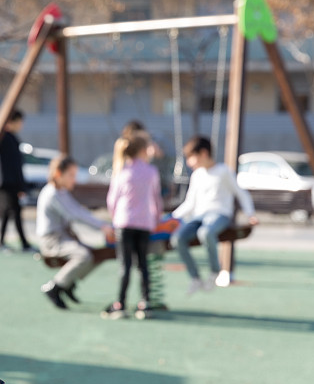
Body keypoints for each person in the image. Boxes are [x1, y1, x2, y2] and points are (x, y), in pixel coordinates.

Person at [170, 136, 258, 294]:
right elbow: (190, 203)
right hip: (199, 216)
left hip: (220, 214)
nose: (190, 162)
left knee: (206, 233)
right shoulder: (197, 175)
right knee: (178, 238)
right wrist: (171, 218)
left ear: (203, 153)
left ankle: (214, 271)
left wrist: (250, 214)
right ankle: (195, 277)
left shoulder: (223, 171)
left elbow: (241, 193)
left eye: (191, 157)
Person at [36, 155, 115, 309]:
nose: (74, 179)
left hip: (64, 236)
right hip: (52, 240)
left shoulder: (61, 192)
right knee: (83, 255)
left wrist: (103, 226)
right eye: (71, 175)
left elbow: (78, 211)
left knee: (97, 255)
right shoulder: (53, 193)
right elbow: (76, 215)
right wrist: (103, 227)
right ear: (58, 174)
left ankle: (68, 284)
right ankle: (55, 287)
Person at [102, 134, 162, 319]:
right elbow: (156, 199)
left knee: (125, 264)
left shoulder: (121, 172)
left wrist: (114, 219)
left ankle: (120, 303)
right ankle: (145, 303)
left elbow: (112, 200)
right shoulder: (151, 171)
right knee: (143, 264)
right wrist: (157, 219)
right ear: (144, 150)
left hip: (124, 223)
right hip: (144, 223)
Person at [0, 109, 36, 253]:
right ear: (12, 122)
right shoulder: (7, 138)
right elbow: (15, 165)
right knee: (13, 212)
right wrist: (21, 186)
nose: (22, 124)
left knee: (8, 212)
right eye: (20, 121)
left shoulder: (2, 138)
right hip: (9, 184)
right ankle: (20, 244)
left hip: (3, 183)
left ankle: (5, 243)